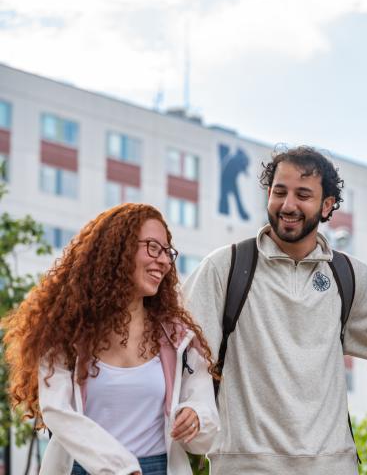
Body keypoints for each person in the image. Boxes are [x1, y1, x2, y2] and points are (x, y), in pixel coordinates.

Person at [183, 146, 367, 474]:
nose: (288, 205)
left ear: (327, 205)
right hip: (246, 466)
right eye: (279, 192)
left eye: (303, 194)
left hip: (333, 466)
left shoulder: (348, 276)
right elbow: (183, 357)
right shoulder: (225, 267)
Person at [3, 203, 220, 475]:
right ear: (118, 250)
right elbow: (56, 411)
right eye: (153, 247)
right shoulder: (65, 332)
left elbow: (205, 415)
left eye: (167, 252)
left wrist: (196, 416)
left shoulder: (178, 338)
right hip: (83, 469)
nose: (164, 260)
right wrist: (119, 466)